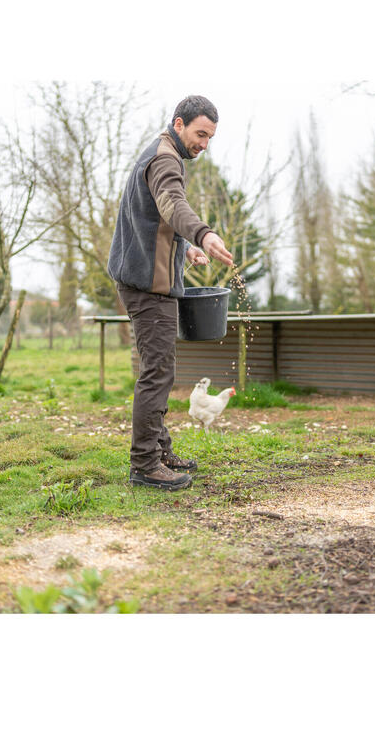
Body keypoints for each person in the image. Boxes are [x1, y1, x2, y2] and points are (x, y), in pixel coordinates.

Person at [107, 95, 234, 491]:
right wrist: (203, 232)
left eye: (210, 137)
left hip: (145, 277)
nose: (204, 144)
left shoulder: (159, 151)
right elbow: (173, 204)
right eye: (200, 134)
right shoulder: (166, 159)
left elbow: (157, 217)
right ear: (178, 124)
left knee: (161, 368)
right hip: (147, 286)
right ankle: (145, 463)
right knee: (157, 371)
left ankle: (160, 449)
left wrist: (186, 247)